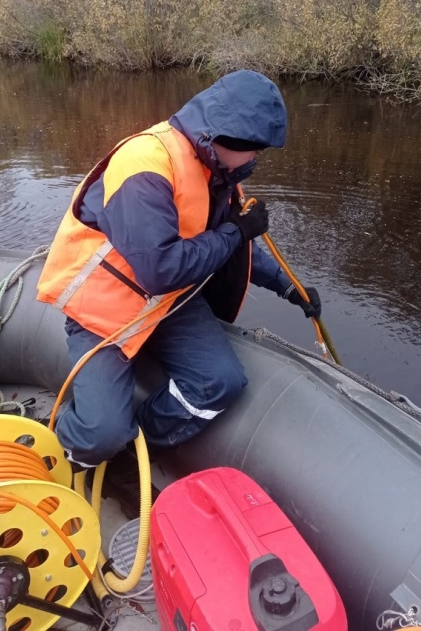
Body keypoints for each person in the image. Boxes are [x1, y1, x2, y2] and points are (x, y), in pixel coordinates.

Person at [37, 69, 321, 469]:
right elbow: (163, 269)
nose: (257, 159)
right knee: (102, 432)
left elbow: (225, 245)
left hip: (167, 304)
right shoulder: (145, 168)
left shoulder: (217, 171)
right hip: (105, 310)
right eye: (255, 149)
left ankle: (138, 438)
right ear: (230, 139)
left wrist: (289, 287)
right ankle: (66, 448)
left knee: (220, 382)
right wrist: (237, 232)